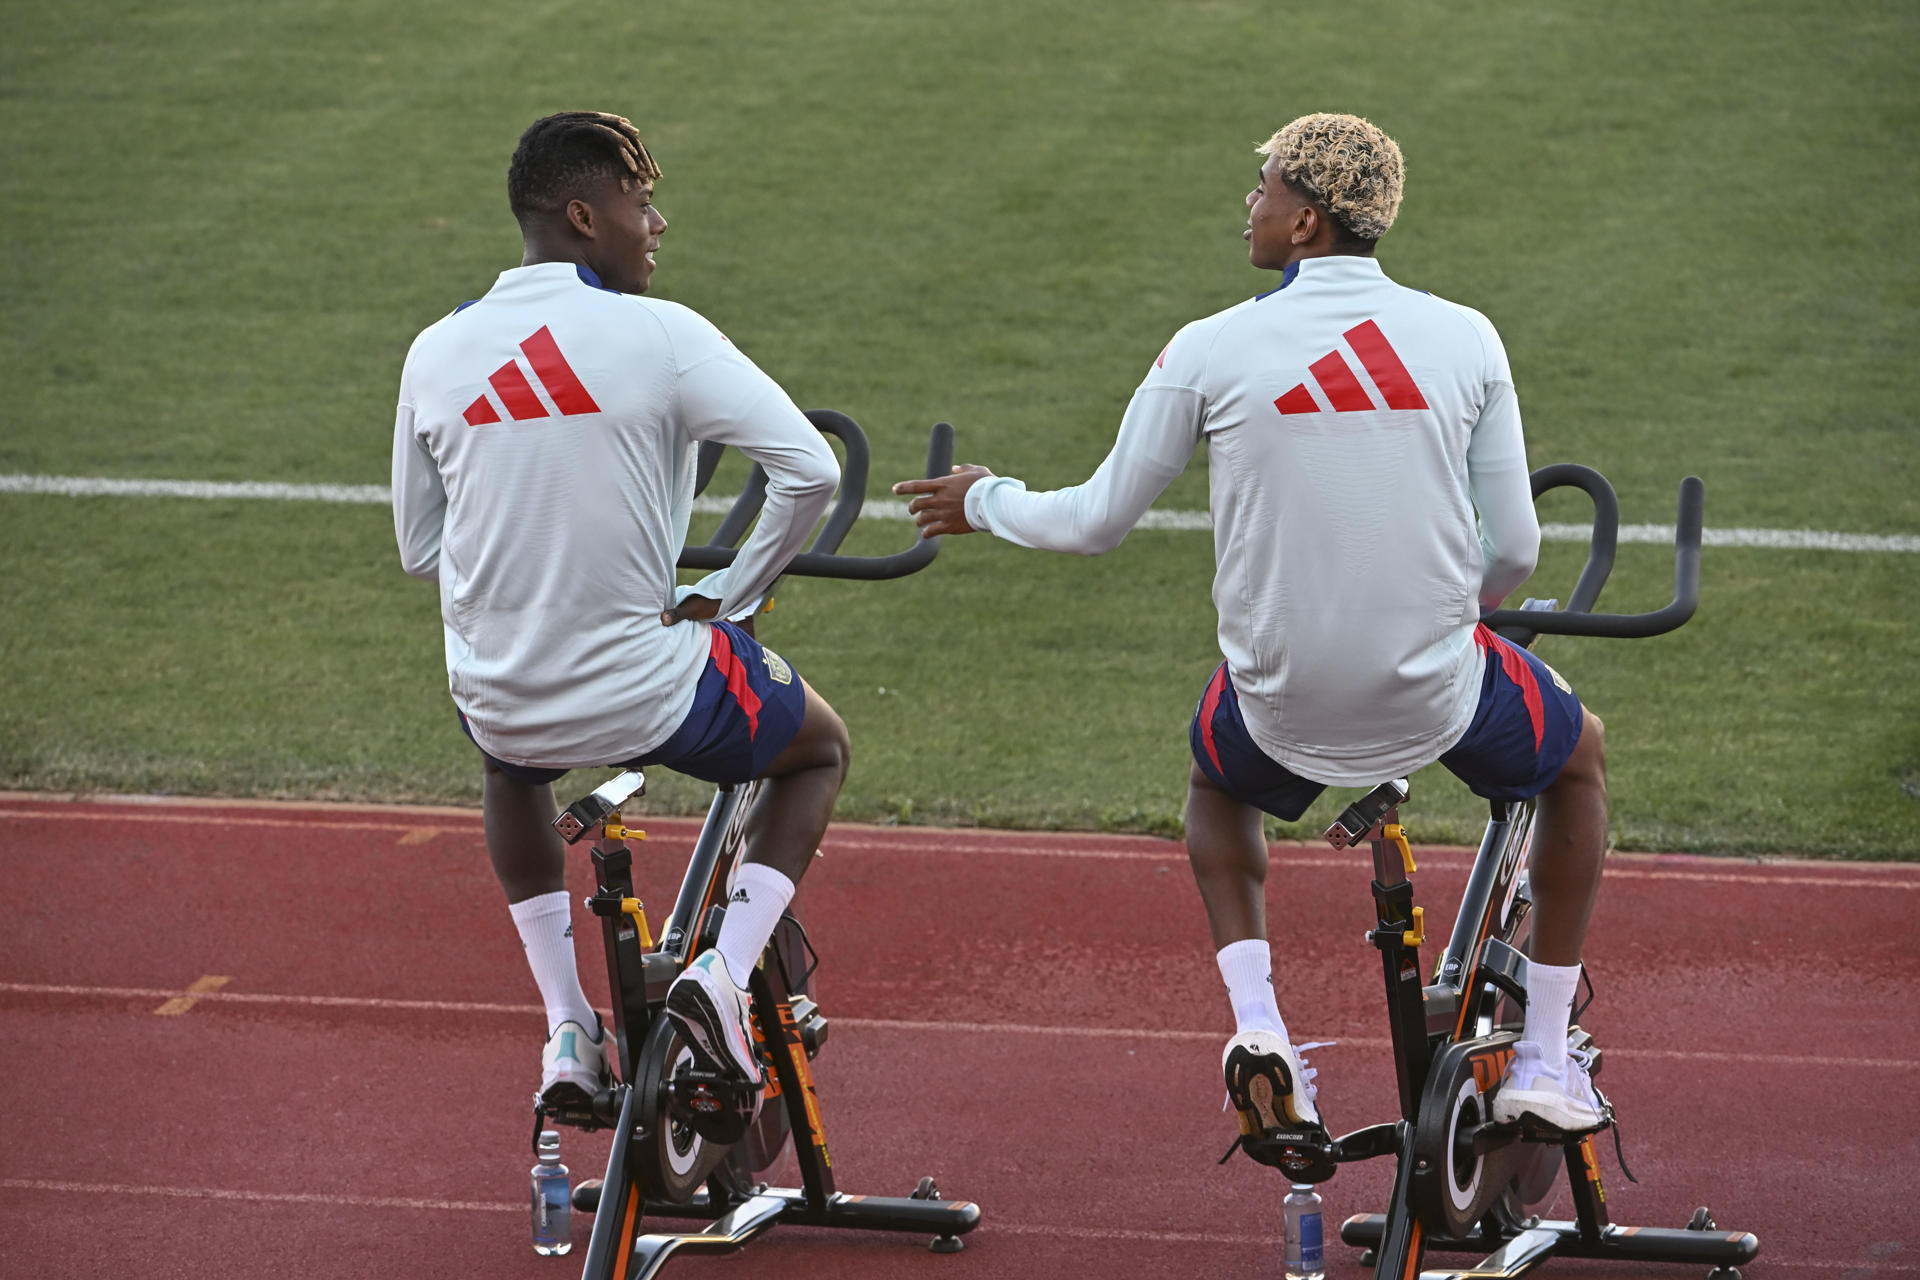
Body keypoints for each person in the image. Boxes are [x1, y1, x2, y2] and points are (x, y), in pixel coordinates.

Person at [894, 113, 1612, 1170]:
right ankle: (1547, 1056)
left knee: (1215, 784)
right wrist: (1446, 608)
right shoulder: (1467, 335)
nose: (1251, 203)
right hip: (1436, 693)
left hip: (1277, 707)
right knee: (1579, 753)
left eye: (1266, 187)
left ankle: (1261, 1021)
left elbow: (1093, 523)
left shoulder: (1210, 346)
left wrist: (984, 496)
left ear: (1308, 219)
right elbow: (1513, 548)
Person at [392, 111, 850, 1128]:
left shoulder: (436, 349)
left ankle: (566, 1021)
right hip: (650, 687)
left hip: (501, 693)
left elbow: (420, 548)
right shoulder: (664, 334)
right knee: (817, 749)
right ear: (585, 214)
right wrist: (728, 594)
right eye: (643, 204)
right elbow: (809, 469)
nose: (659, 223)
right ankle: (727, 978)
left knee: (511, 759)